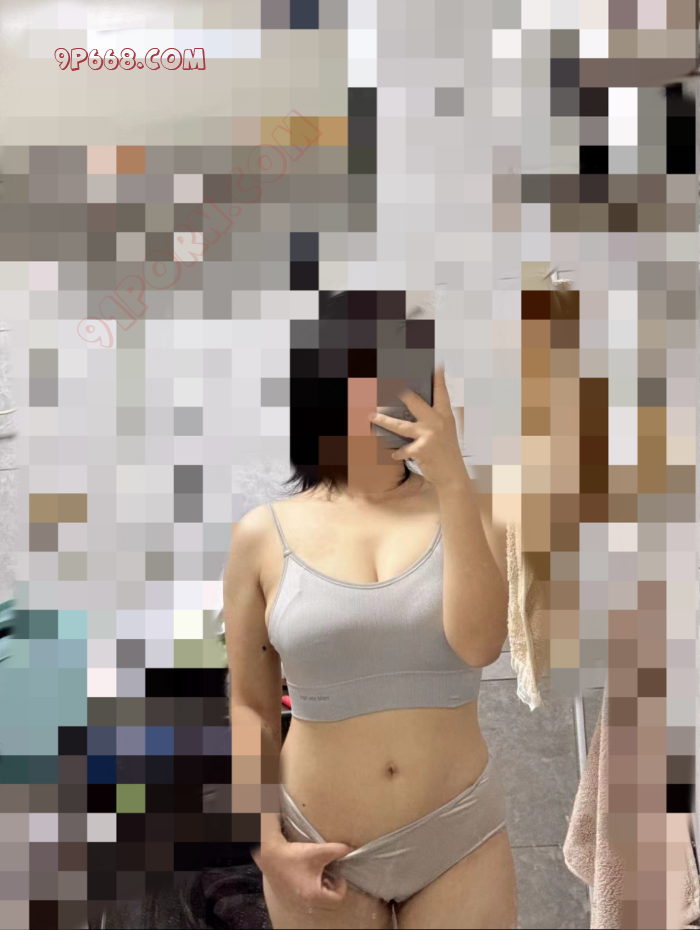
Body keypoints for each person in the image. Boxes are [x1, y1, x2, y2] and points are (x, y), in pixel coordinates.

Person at [223, 299, 518, 929]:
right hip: (313, 843)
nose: (400, 396)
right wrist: (265, 843)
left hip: (457, 835)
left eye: (412, 373)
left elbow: (480, 645)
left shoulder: (474, 510)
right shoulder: (262, 535)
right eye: (376, 374)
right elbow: (250, 706)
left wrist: (454, 479)